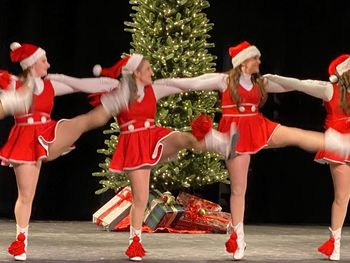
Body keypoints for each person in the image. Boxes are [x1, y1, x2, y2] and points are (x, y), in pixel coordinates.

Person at [153, 41, 350, 260]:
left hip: (259, 127)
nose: (259, 61)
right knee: (239, 190)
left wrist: (277, 80)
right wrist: (160, 88)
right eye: (254, 58)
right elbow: (192, 83)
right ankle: (238, 238)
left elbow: (293, 85)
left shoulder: (261, 82)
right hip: (235, 134)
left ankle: (335, 143)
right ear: (243, 62)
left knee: (295, 135)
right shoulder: (224, 80)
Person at [55, 53, 238, 261]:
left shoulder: (155, 88)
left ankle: (220, 143)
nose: (152, 71)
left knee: (182, 138)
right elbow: (92, 118)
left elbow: (188, 83)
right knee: (140, 198)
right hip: (133, 145)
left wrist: (222, 79)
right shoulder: (120, 96)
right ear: (137, 73)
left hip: (153, 136)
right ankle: (135, 242)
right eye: (148, 68)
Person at [1, 42, 131, 261]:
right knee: (26, 196)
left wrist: (109, 83)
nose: (48, 64)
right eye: (44, 61)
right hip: (24, 141)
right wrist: (10, 99)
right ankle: (20, 240)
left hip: (49, 133)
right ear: (32, 65)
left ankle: (116, 100)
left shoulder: (51, 85)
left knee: (81, 122)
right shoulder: (14, 84)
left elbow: (81, 85)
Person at [265, 54, 350, 261]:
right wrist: (275, 77)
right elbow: (300, 84)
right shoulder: (329, 89)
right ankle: (335, 243)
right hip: (339, 145)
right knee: (343, 196)